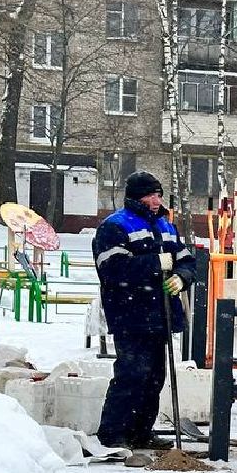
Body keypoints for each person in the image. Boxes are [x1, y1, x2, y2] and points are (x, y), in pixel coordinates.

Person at [93, 171, 196, 448]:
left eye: (159, 194)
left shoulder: (165, 226)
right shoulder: (114, 227)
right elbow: (112, 269)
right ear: (137, 197)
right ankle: (113, 434)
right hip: (130, 314)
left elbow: (186, 260)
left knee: (154, 377)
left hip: (159, 313)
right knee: (131, 374)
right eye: (151, 195)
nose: (156, 200)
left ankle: (140, 432)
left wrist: (181, 277)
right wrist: (156, 263)